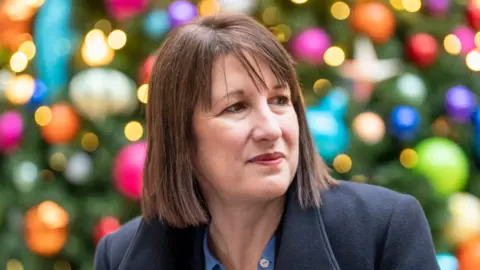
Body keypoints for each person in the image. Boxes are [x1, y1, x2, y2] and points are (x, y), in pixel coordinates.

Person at [94, 13, 440, 270]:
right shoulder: (120, 255)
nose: (271, 129)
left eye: (279, 100)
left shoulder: (385, 229)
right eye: (236, 107)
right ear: (181, 137)